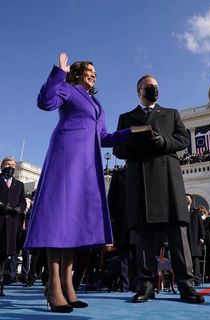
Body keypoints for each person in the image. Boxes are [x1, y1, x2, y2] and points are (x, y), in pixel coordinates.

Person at [24, 53, 131, 313]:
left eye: (95, 71)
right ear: (78, 73)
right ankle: (53, 284)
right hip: (65, 155)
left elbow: (103, 137)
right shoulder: (68, 89)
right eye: (89, 70)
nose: (94, 74)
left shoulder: (98, 105)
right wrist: (59, 72)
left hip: (86, 164)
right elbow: (45, 102)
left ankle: (68, 285)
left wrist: (132, 134)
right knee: (59, 217)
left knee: (73, 220)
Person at [113, 74, 205, 304]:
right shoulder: (126, 118)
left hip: (167, 178)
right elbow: (117, 149)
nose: (153, 89)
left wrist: (163, 142)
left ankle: (186, 284)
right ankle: (145, 285)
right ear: (138, 91)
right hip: (140, 178)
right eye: (148, 87)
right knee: (142, 235)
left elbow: (182, 139)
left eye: (156, 87)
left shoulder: (171, 113)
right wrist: (134, 145)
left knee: (177, 232)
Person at [0, 156, 26, 296]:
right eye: (7, 164)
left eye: (13, 165)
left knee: (4, 256)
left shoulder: (19, 184)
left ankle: (1, 285)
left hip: (10, 227)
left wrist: (20, 209)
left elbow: (22, 202)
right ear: (1, 166)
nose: (10, 167)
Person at [186, 194, 205, 285]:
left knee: (195, 259)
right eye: (185, 198)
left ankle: (197, 278)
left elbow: (201, 226)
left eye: (188, 198)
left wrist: (202, 237)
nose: (187, 200)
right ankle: (188, 278)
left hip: (195, 239)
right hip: (185, 239)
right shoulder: (182, 211)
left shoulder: (196, 211)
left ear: (191, 200)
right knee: (186, 259)